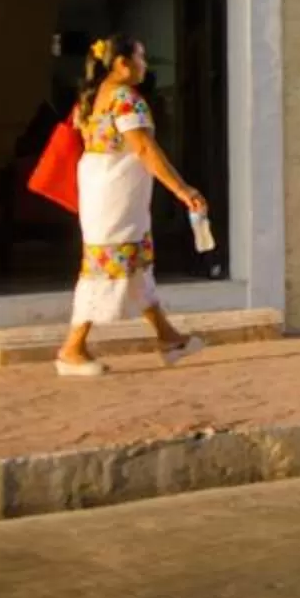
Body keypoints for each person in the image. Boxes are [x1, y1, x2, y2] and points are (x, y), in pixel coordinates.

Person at [56, 34, 209, 378]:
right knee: (106, 267)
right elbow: (143, 149)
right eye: (140, 57)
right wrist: (182, 189)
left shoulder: (91, 99)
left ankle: (169, 339)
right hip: (115, 196)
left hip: (102, 190)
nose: (145, 65)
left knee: (133, 264)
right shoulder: (126, 99)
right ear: (121, 63)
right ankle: (72, 348)